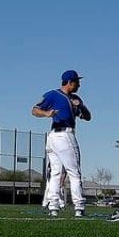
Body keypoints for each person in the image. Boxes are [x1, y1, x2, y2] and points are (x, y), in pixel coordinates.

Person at [32, 70, 91, 217]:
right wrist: (46, 114)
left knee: (56, 173)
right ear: (70, 82)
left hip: (54, 138)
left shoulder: (76, 99)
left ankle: (54, 207)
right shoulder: (53, 94)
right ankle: (79, 207)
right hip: (63, 135)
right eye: (77, 82)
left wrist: (81, 107)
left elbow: (88, 117)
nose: (79, 85)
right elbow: (34, 110)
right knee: (74, 172)